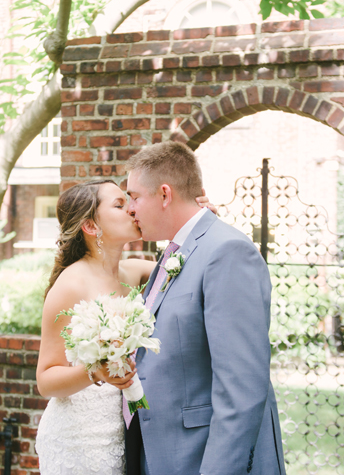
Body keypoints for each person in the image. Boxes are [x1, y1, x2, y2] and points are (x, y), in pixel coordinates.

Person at [124, 141, 285, 475]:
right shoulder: (174, 253)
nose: (130, 208)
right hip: (165, 453)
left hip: (203, 459)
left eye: (134, 196)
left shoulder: (226, 252)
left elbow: (241, 389)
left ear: (165, 194)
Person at [35, 178, 213, 474]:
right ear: (91, 227)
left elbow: (191, 265)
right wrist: (96, 371)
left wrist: (202, 222)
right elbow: (45, 380)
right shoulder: (70, 285)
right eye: (119, 205)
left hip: (124, 436)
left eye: (130, 201)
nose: (132, 209)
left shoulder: (133, 271)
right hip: (78, 440)